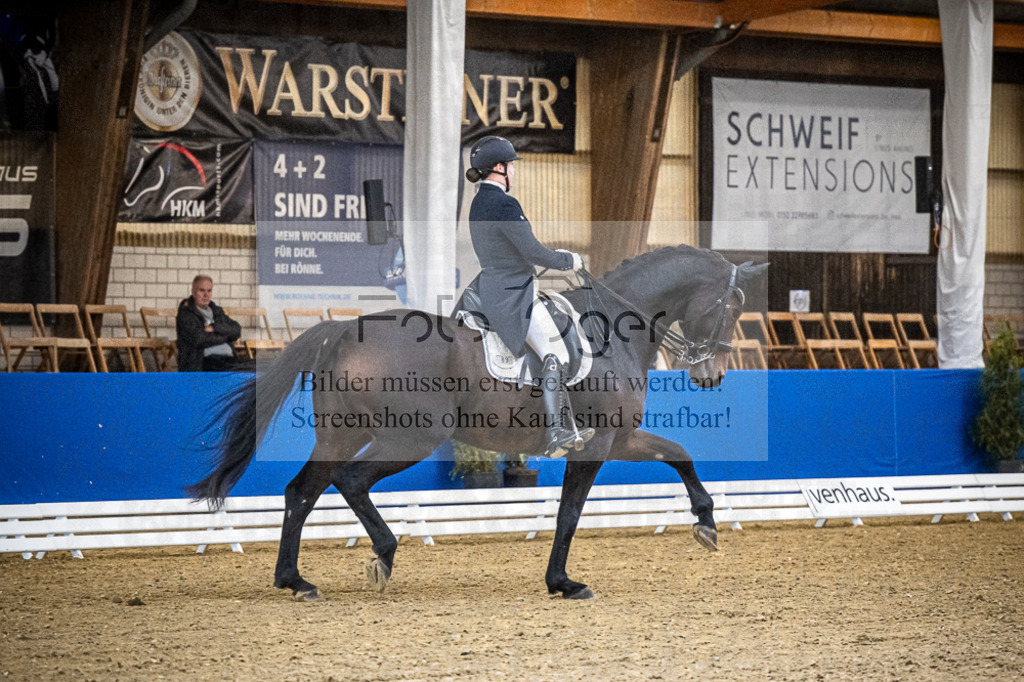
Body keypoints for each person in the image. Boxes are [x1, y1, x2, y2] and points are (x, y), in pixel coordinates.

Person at [465, 135, 594, 458]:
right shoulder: (504, 204)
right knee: (556, 354)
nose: (514, 171)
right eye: (511, 166)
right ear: (499, 168)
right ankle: (555, 433)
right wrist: (569, 260)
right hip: (513, 296)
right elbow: (532, 251)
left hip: (489, 287)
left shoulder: (478, 202)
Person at [175, 274, 243, 372]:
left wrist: (215, 328)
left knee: (255, 366)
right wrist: (226, 337)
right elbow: (199, 339)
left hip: (227, 359)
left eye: (209, 291)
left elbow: (237, 330)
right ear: (193, 293)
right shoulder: (185, 314)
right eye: (202, 290)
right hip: (202, 363)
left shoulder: (217, 311)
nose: (206, 295)